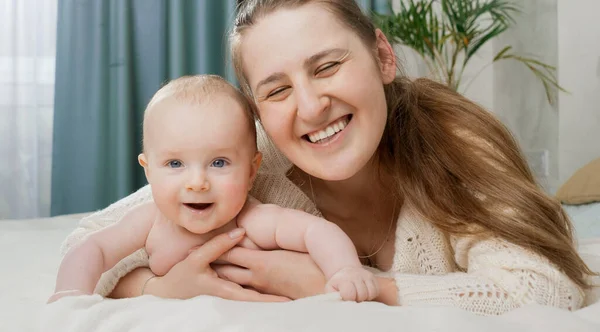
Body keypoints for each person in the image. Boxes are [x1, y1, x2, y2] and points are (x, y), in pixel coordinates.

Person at [59, 0, 594, 315]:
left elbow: (544, 287)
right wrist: (160, 288)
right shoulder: (249, 160)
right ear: (256, 112)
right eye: (276, 90)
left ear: (383, 56)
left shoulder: (455, 142)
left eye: (327, 66)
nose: (311, 107)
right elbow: (96, 243)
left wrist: (348, 288)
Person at [48, 75, 379, 304]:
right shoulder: (150, 222)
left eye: (219, 163)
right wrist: (70, 295)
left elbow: (316, 231)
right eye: (175, 164)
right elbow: (94, 249)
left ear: (251, 171)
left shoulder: (251, 220)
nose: (197, 182)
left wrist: (345, 270)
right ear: (148, 172)